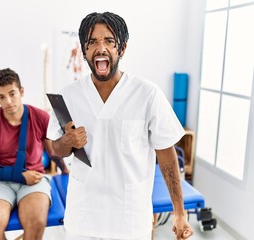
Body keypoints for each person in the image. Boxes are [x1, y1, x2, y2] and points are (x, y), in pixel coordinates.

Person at [47, 12, 194, 240]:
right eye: (92, 41)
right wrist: (66, 142)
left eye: (109, 41)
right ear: (84, 50)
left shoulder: (148, 94)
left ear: (122, 49)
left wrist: (179, 212)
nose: (101, 47)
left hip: (130, 221)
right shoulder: (68, 95)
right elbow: (55, 149)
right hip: (83, 219)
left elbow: (166, 155)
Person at [0, 68, 68, 240]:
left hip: (34, 180)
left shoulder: (40, 117)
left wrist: (64, 169)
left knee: (36, 223)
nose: (8, 101)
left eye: (12, 93)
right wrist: (19, 176)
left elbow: (52, 151)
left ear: (21, 91)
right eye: (1, 97)